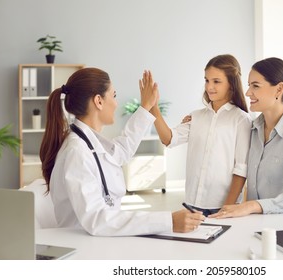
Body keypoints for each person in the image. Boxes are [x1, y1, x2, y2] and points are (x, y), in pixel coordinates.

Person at [39, 67, 204, 236]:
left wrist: (146, 106)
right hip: (85, 245)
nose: (116, 103)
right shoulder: (77, 152)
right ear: (99, 101)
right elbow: (97, 220)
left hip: (99, 239)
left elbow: (122, 149)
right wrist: (168, 221)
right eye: (114, 95)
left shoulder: (88, 143)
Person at [210, 57, 283, 223]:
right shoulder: (253, 129)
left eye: (255, 86)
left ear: (278, 89)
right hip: (258, 226)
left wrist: (252, 206)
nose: (248, 92)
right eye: (249, 85)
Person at [145, 54, 252, 216]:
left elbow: (241, 168)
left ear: (231, 84)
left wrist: (227, 207)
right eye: (207, 80)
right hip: (192, 203)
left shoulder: (241, 119)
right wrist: (153, 107)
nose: (209, 87)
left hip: (222, 206)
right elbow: (168, 138)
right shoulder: (196, 117)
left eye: (216, 81)